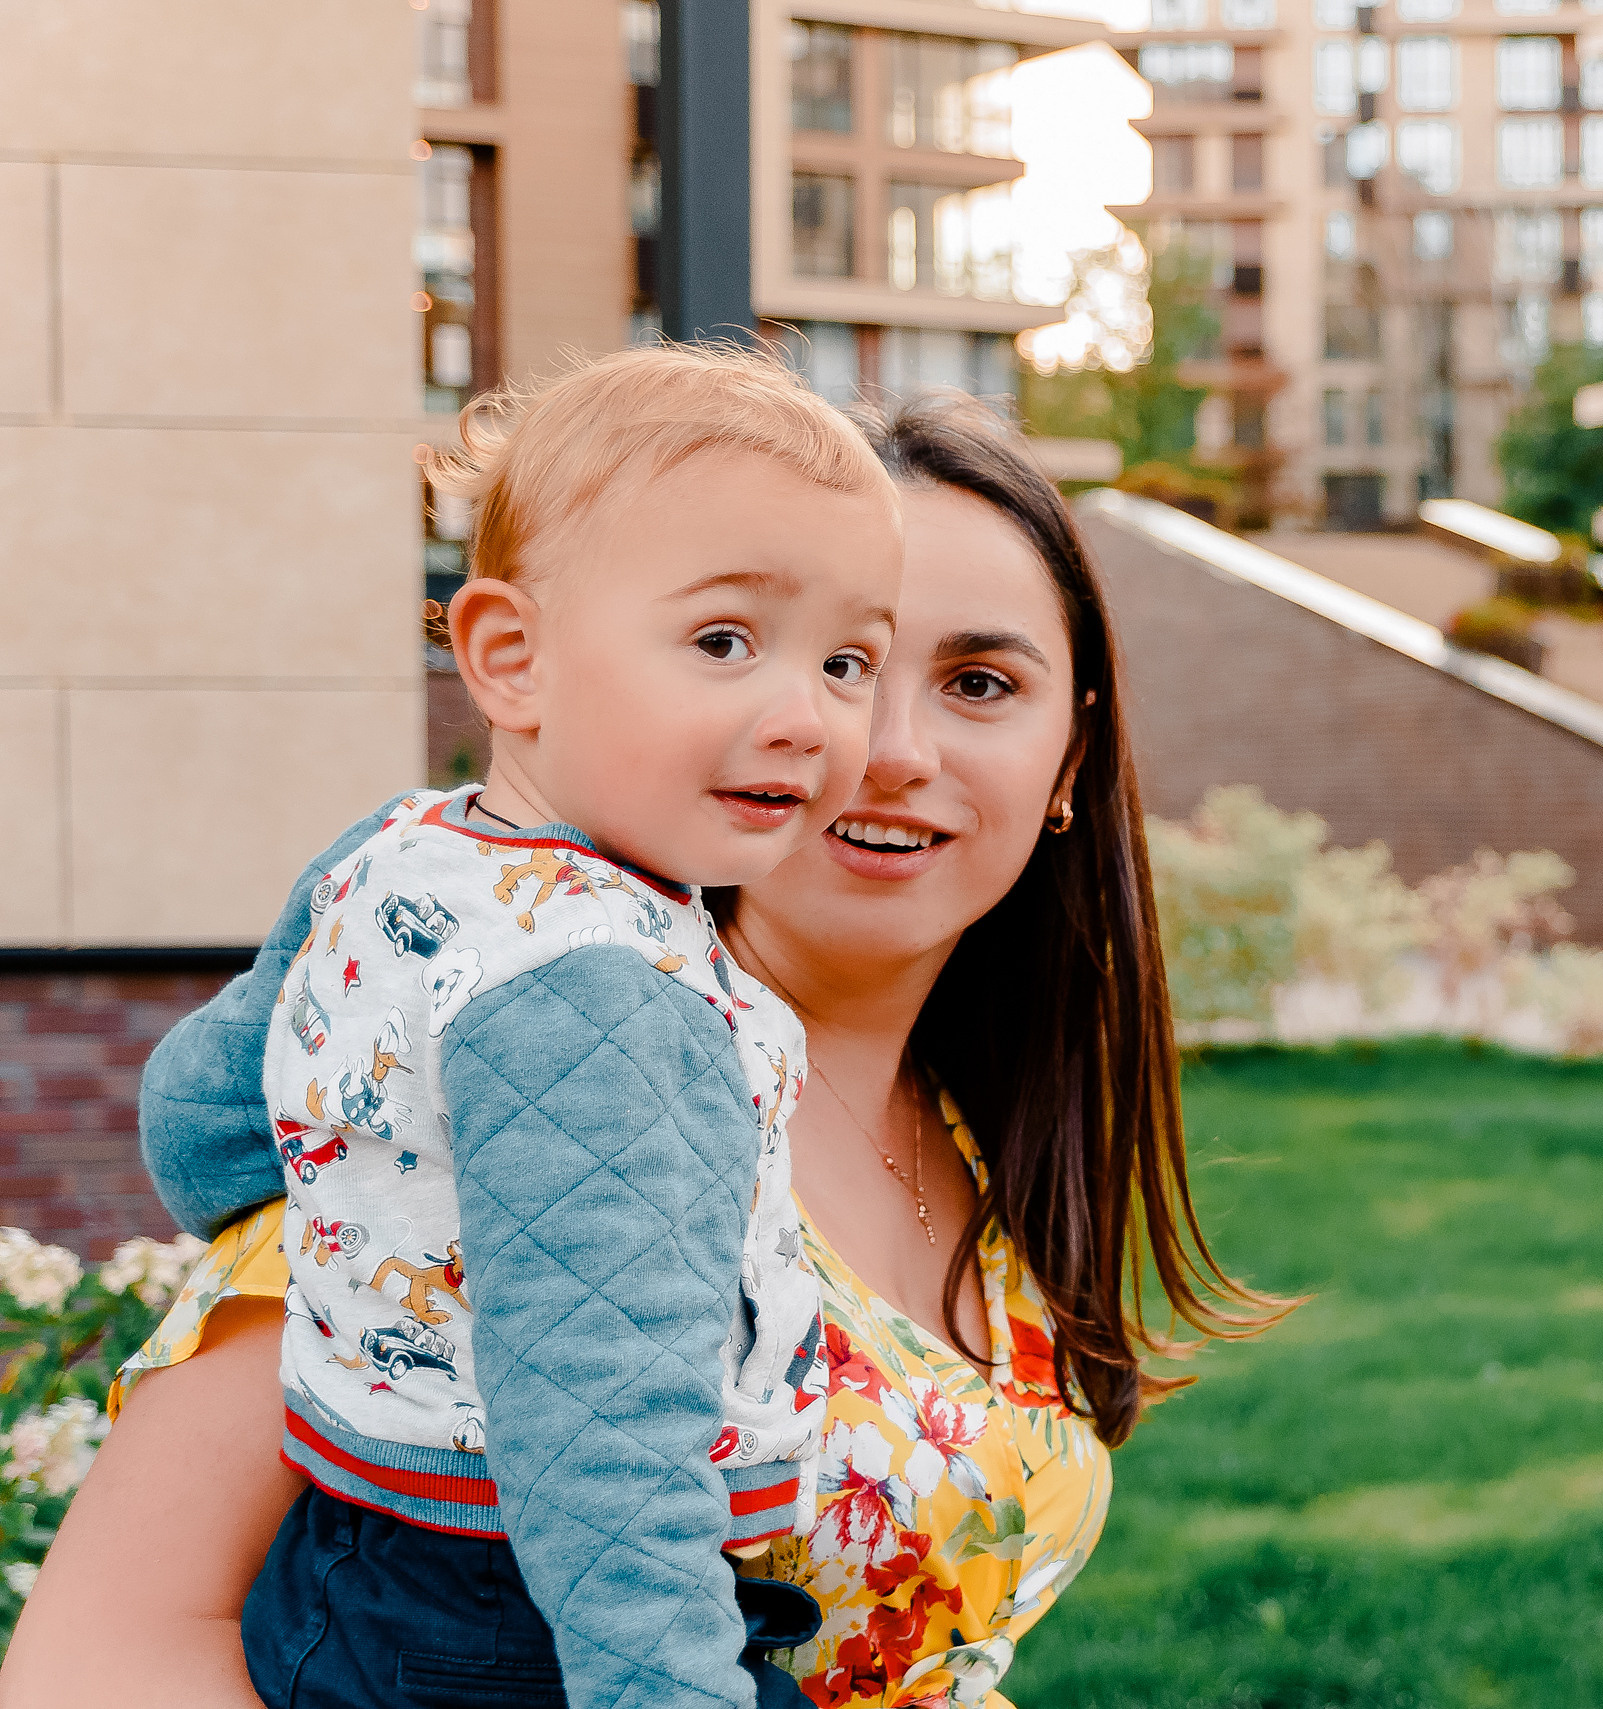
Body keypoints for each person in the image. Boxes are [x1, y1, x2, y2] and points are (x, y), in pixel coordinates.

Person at [0, 395, 1285, 1709]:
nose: (875, 747)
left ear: (1074, 752)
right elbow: (99, 1666)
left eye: (973, 682)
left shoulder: (966, 1130)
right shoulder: (528, 1078)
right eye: (732, 644)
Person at [129, 344, 904, 1708]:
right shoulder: (607, 994)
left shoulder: (396, 856)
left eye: (848, 660)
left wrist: (369, 1246)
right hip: (534, 1629)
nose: (808, 716)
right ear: (512, 655)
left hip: (351, 1559)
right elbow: (602, 1441)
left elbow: (201, 1109)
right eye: (727, 640)